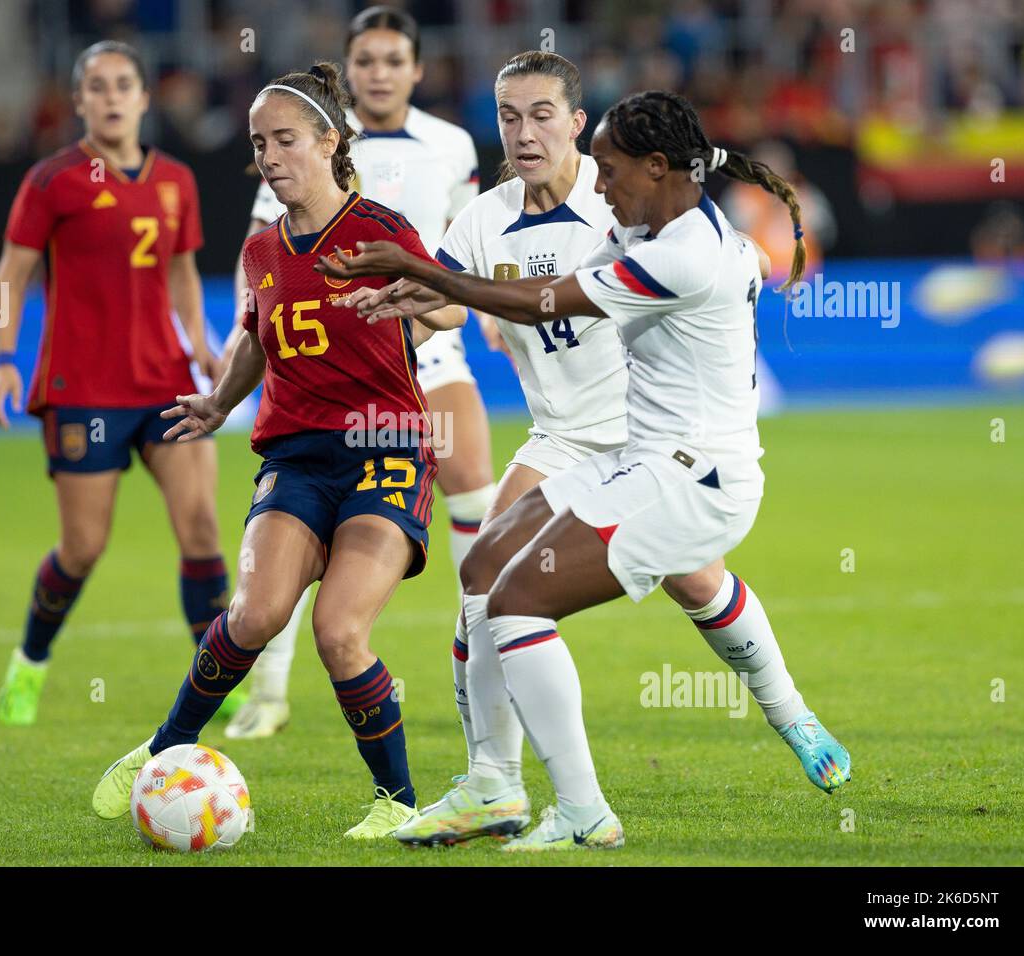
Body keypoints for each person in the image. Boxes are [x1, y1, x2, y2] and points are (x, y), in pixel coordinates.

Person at [318, 90, 851, 851]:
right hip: (646, 457)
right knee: (489, 566)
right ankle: (493, 786)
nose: (598, 186)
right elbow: (534, 285)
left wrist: (410, 262)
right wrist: (420, 283)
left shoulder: (683, 256)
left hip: (694, 477)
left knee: (522, 600)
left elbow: (543, 301)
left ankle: (582, 812)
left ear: (658, 166)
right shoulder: (662, 227)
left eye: (608, 168)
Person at [92, 61, 444, 839]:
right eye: (260, 143)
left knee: (339, 633)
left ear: (329, 142)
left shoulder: (381, 230)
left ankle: (399, 802)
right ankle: (163, 748)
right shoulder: (261, 253)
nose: (271, 156)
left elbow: (445, 303)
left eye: (286, 139)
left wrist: (410, 293)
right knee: (252, 615)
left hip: (385, 450)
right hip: (296, 458)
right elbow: (254, 338)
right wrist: (219, 400)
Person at [333, 49, 629, 812]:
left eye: (540, 114)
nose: (524, 132)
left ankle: (794, 719)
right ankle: (494, 781)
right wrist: (410, 299)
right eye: (508, 116)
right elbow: (454, 305)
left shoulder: (620, 198)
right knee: (483, 587)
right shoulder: (487, 215)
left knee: (707, 590)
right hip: (558, 436)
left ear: (576, 122)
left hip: (645, 439)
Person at [221, 5, 497, 741]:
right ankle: (270, 688)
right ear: (349, 69)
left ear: (415, 69)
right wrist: (248, 342)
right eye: (365, 60)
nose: (378, 72)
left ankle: (487, 659)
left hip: (425, 338)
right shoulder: (300, 138)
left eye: (392, 60)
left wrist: (479, 304)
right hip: (329, 353)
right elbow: (262, 254)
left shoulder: (450, 144)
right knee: (307, 513)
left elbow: (467, 235)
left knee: (473, 476)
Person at [0, 41, 231, 726]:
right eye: (98, 86)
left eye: (125, 83)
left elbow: (182, 272)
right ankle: (31, 660)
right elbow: (12, 272)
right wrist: (3, 358)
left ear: (145, 97)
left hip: (166, 381)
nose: (113, 95)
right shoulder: (52, 180)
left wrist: (204, 348)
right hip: (83, 387)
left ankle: (217, 685)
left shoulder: (177, 179)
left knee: (203, 528)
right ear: (80, 101)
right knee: (84, 547)